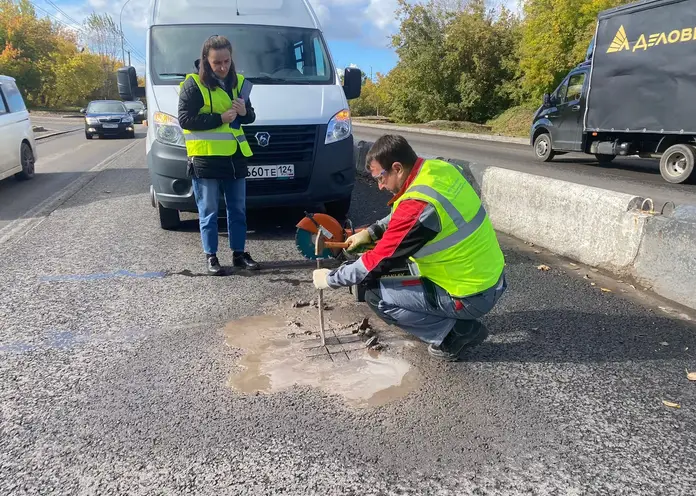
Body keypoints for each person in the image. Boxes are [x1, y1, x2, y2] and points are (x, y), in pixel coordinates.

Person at [312, 135, 508, 361]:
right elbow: (404, 211)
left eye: (381, 178)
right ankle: (451, 319)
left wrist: (331, 279)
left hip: (469, 293)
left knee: (375, 294)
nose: (380, 185)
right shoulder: (439, 170)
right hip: (491, 278)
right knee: (399, 270)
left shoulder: (419, 205)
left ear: (397, 168)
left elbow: (377, 261)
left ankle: (453, 334)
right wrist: (371, 232)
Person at [178, 35, 260, 275]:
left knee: (238, 210)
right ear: (206, 60)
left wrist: (245, 112)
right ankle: (211, 256)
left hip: (234, 157)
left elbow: (250, 117)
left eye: (226, 61)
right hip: (205, 159)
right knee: (209, 212)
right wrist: (219, 119)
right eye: (217, 62)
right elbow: (184, 119)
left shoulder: (240, 83)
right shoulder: (193, 84)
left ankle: (239, 254)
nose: (223, 67)